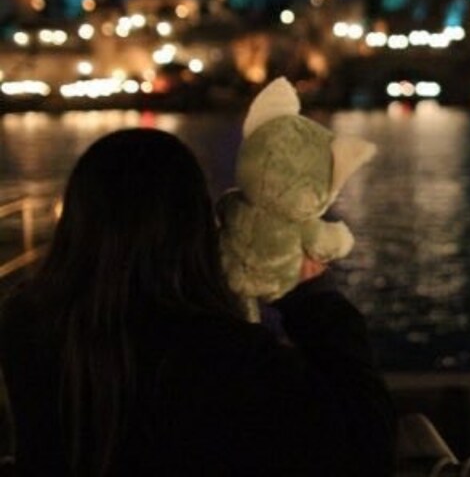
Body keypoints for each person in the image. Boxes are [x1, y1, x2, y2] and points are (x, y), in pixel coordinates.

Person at [0, 128, 396, 476]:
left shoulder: (26, 327)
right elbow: (366, 445)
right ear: (195, 228)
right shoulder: (227, 355)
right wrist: (311, 296)